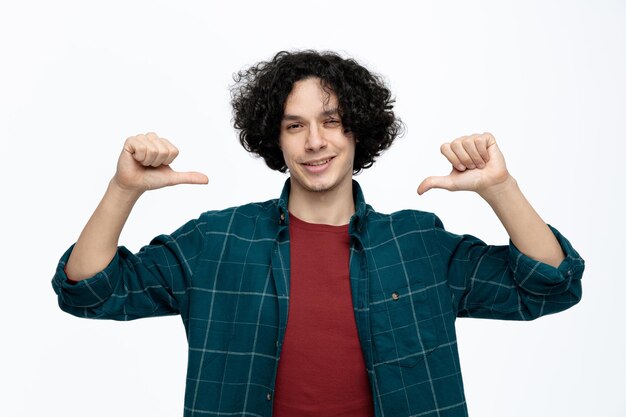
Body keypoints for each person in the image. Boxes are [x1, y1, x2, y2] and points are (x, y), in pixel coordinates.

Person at [52, 50, 584, 417]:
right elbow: (90, 290)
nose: (314, 142)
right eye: (294, 125)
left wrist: (500, 188)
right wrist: (124, 189)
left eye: (331, 120)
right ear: (275, 139)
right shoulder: (218, 241)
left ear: (358, 130)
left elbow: (551, 284)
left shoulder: (417, 244)